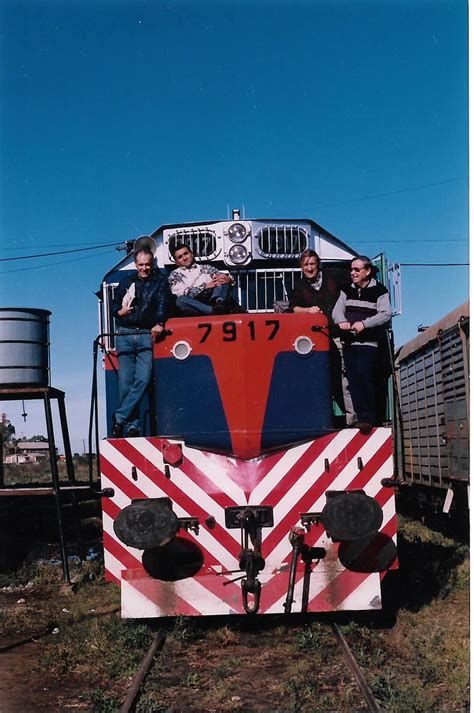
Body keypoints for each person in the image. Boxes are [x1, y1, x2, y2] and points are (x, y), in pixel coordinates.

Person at [289, 249, 356, 425]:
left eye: (312, 263)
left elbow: (354, 283)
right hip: (316, 340)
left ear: (318, 264)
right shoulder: (299, 286)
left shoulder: (334, 276)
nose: (309, 268)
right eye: (305, 265)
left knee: (346, 377)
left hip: (339, 335)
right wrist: (308, 310)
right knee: (325, 378)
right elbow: (294, 308)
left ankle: (353, 419)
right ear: (301, 267)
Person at [111, 243, 170, 437]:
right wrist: (121, 311)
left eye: (147, 264)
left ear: (152, 263)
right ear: (135, 265)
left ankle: (119, 416)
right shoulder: (125, 282)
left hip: (145, 333)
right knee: (125, 383)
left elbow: (162, 304)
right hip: (125, 334)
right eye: (140, 265)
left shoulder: (160, 282)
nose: (144, 268)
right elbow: (113, 308)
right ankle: (131, 425)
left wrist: (159, 322)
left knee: (144, 378)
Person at [332, 255, 392, 433]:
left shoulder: (380, 291)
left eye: (356, 270)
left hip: (369, 343)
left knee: (366, 377)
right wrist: (342, 321)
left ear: (367, 271)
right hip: (350, 342)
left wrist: (364, 324)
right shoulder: (346, 290)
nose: (352, 273)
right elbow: (337, 312)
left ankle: (368, 419)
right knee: (353, 380)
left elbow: (386, 314)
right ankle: (360, 418)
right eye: (351, 269)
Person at [168, 244, 235, 315]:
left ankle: (219, 304)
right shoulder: (175, 275)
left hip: (213, 300)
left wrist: (228, 279)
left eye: (186, 253)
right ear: (177, 262)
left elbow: (221, 278)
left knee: (222, 281)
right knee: (181, 300)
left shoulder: (206, 268)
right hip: (195, 304)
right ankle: (213, 311)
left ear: (192, 254)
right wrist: (204, 287)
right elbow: (184, 293)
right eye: (180, 257)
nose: (184, 258)